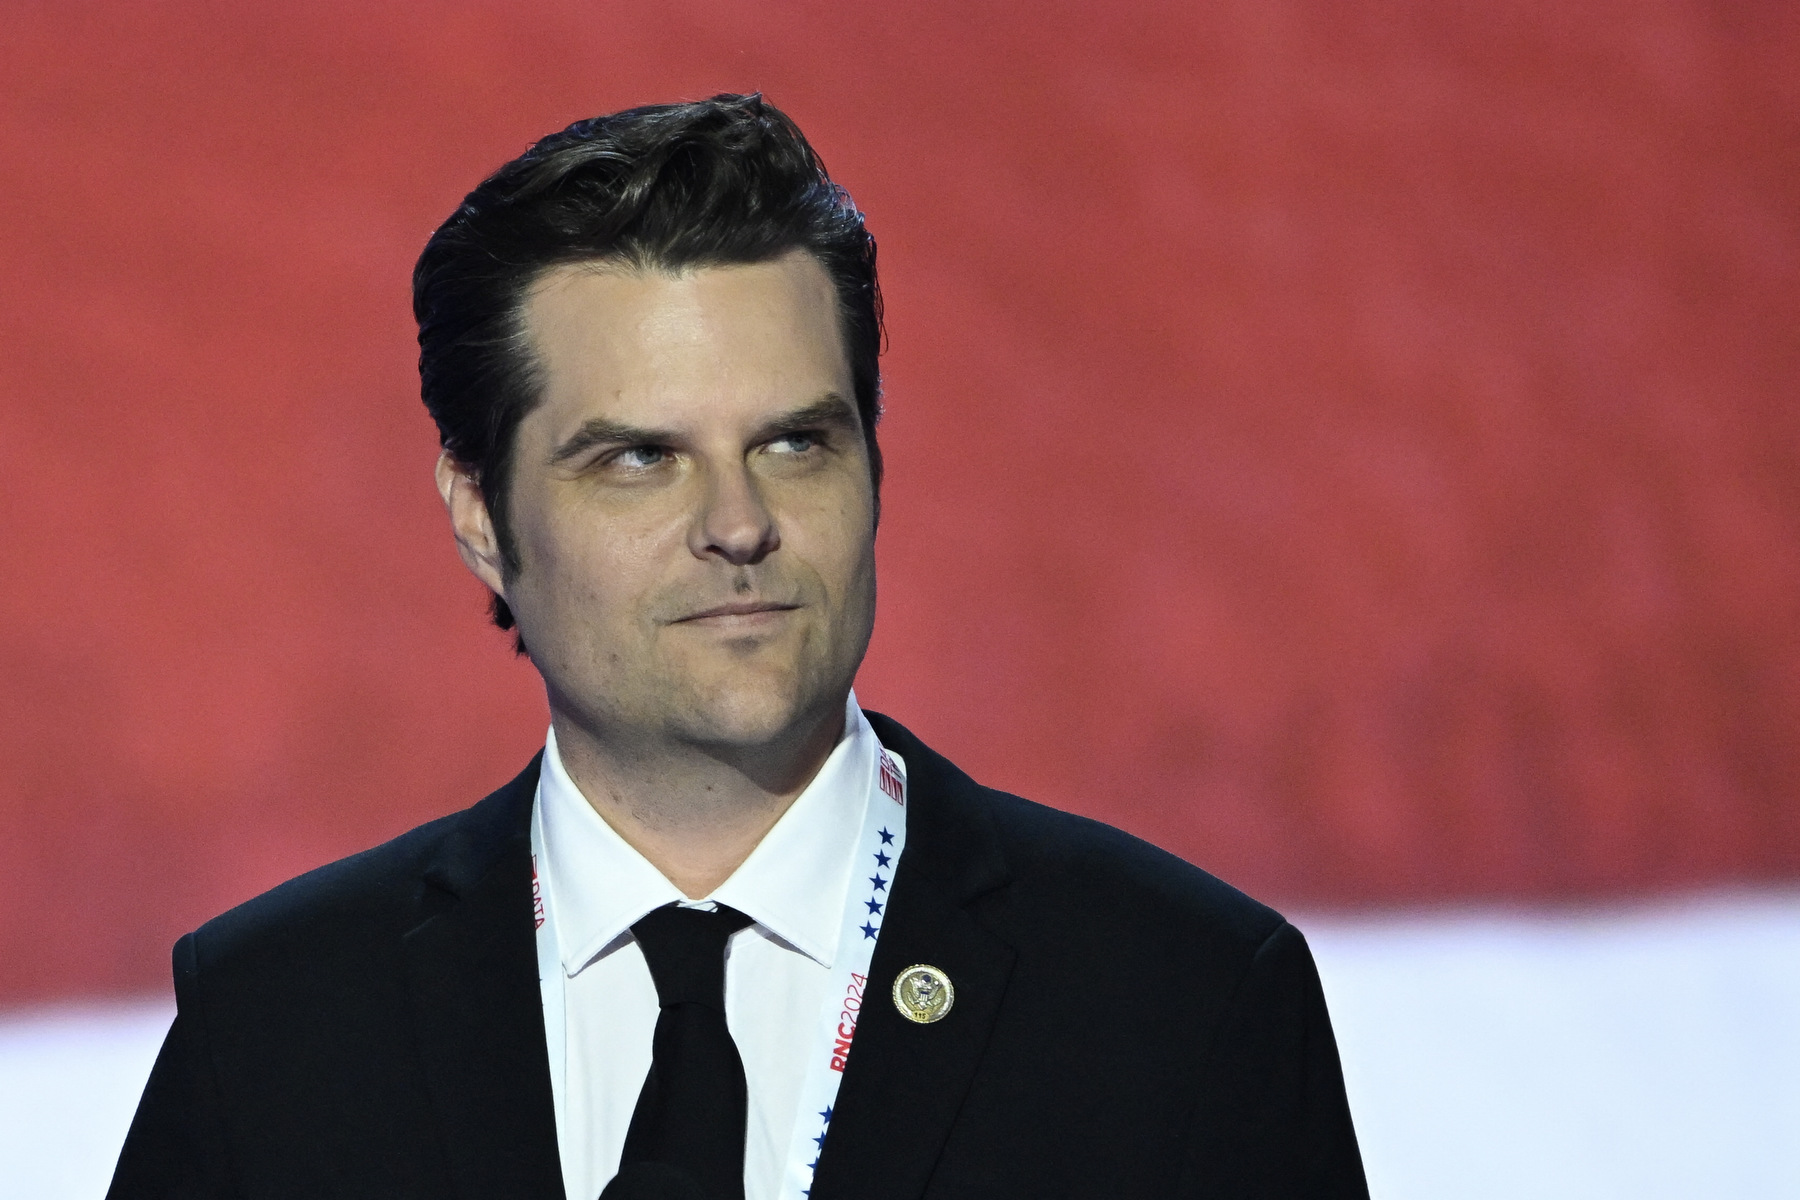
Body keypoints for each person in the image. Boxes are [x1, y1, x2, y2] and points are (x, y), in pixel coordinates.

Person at [108, 93, 1368, 1200]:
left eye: (794, 443)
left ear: (874, 466)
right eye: (640, 459)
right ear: (483, 520)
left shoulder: (1181, 1002)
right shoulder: (279, 1029)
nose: (740, 525)